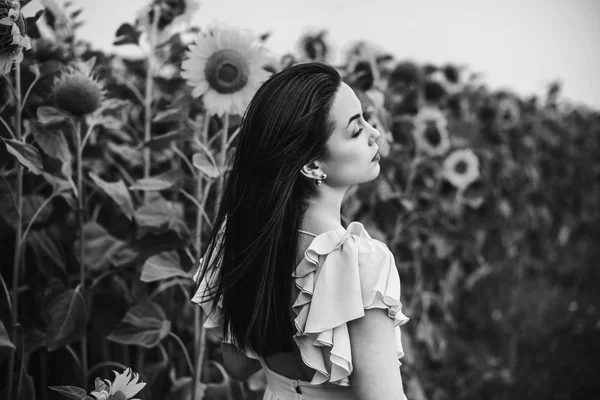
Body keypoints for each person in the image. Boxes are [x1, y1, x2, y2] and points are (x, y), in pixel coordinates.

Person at [192, 61, 409, 400]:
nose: (375, 133)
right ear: (311, 165)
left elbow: (237, 366)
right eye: (356, 129)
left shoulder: (242, 239)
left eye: (366, 119)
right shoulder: (360, 262)